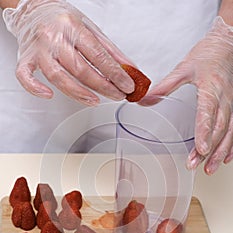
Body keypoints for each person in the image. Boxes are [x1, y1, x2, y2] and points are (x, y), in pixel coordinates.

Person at [0, 0, 232, 175]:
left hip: (174, 43)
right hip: (37, 45)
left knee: (158, 194)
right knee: (22, 185)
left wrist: (226, 37)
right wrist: (27, 7)